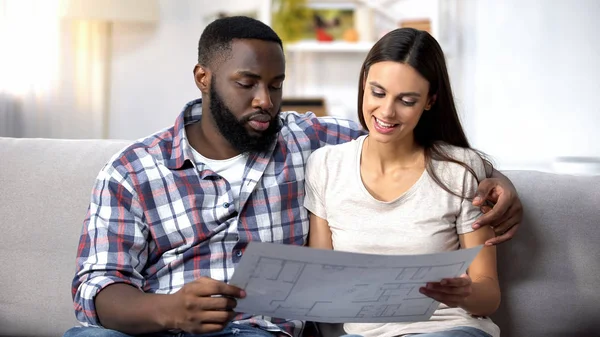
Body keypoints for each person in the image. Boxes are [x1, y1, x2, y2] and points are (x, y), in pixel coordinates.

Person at [64, 17, 522, 337]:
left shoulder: (309, 141)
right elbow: (95, 286)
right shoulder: (131, 170)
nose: (266, 99)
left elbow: (406, 139)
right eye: (247, 84)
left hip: (250, 330)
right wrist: (166, 310)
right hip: (150, 323)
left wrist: (496, 179)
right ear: (204, 78)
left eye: (276, 84)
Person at [304, 28, 505, 337]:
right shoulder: (326, 165)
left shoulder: (459, 169)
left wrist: (466, 294)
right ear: (363, 85)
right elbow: (322, 282)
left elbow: (489, 296)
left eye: (407, 100)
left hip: (449, 329)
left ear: (429, 101)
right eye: (378, 92)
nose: (386, 112)